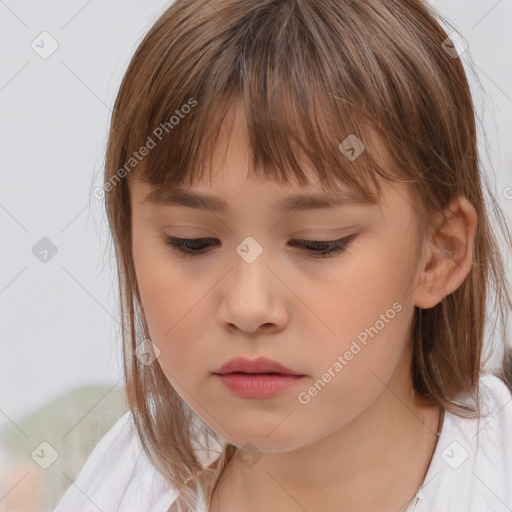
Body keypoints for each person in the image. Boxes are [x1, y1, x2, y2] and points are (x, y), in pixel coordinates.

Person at [53, 0, 512, 511]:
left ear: (439, 255)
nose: (249, 307)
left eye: (319, 243)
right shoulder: (127, 475)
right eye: (192, 241)